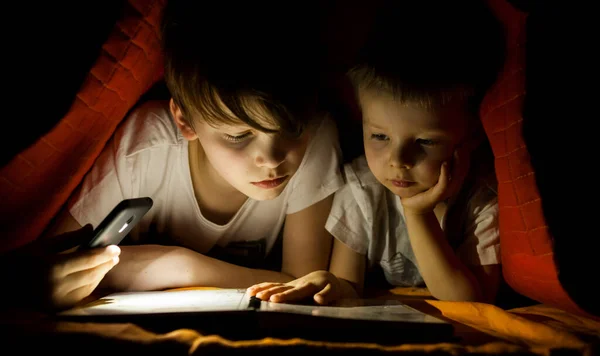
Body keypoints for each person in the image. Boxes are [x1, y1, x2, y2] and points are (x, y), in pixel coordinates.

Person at [36, 1, 344, 310]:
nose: (273, 158)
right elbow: (51, 264)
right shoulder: (146, 148)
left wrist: (181, 267)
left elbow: (299, 284)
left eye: (292, 129)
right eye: (238, 136)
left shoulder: (316, 137)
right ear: (185, 121)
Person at [249, 0, 505, 305]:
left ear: (473, 135)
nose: (398, 160)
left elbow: (471, 300)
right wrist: (329, 282)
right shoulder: (361, 189)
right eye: (380, 136)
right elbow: (349, 286)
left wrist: (417, 213)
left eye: (426, 142)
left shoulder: (483, 198)